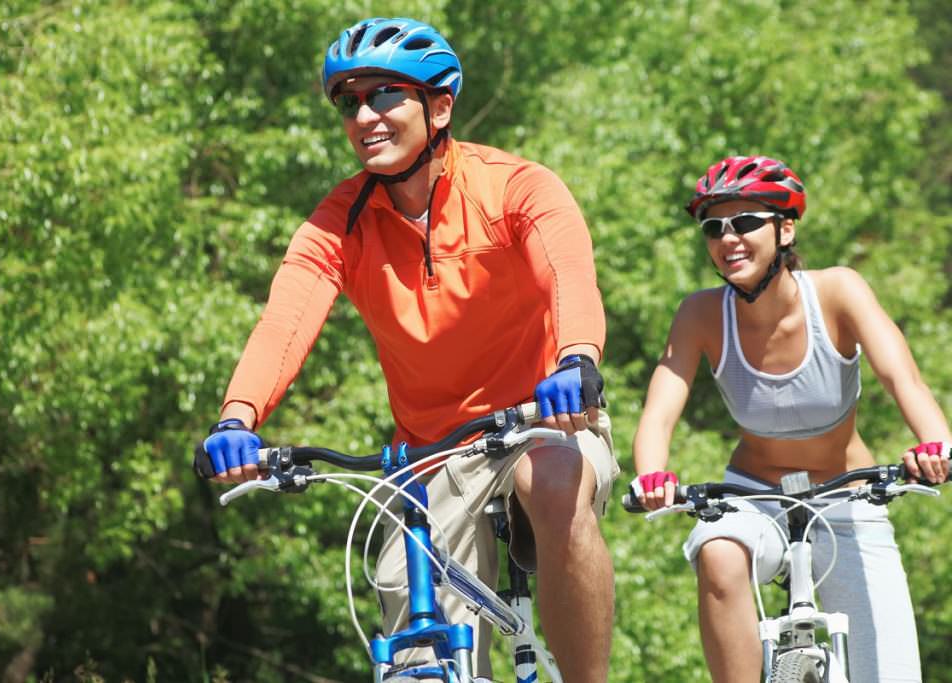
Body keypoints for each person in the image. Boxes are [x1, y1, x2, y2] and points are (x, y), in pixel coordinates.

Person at [200, 17, 619, 681]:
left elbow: (568, 270)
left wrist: (577, 359)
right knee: (415, 638)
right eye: (348, 102)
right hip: (430, 454)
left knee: (555, 480)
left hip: (542, 419)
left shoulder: (515, 188)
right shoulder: (338, 221)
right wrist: (238, 416)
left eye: (385, 95)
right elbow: (287, 317)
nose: (363, 114)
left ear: (441, 105)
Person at [631, 154, 951, 682]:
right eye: (714, 228)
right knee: (718, 551)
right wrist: (651, 476)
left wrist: (936, 446)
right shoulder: (700, 314)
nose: (728, 238)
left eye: (746, 222)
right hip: (753, 496)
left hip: (850, 499)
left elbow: (904, 380)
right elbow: (659, 413)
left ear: (785, 229)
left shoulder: (837, 291)